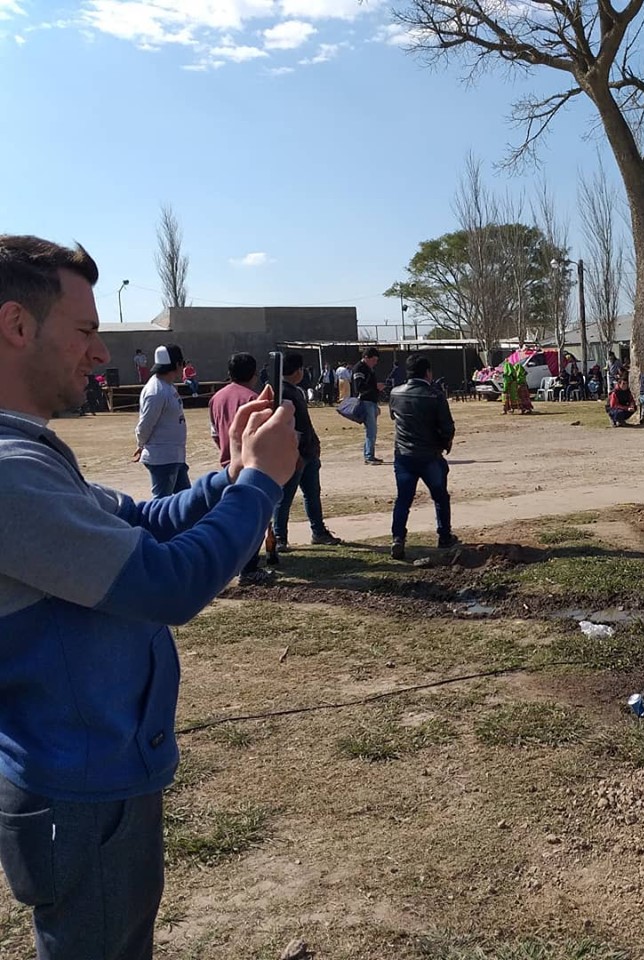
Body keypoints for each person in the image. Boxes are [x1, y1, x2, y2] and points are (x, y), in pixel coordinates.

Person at [0, 233, 297, 960]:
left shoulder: (32, 455)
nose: (100, 354)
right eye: (87, 331)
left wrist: (230, 476)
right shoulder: (10, 473)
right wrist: (261, 485)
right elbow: (169, 583)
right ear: (15, 327)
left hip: (92, 777)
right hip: (80, 788)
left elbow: (141, 521)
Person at [209, 352, 275, 586]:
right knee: (255, 517)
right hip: (251, 464)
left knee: (232, 516)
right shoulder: (254, 399)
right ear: (254, 374)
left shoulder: (216, 398)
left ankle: (232, 562)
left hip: (228, 464)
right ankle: (248, 568)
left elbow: (215, 433)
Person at [388, 353, 457, 560]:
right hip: (429, 455)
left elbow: (394, 416)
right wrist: (445, 443)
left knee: (403, 499)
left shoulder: (395, 393)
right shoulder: (435, 395)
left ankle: (398, 538)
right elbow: (447, 427)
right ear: (428, 373)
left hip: (403, 455)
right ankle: (444, 536)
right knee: (440, 496)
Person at [274, 352, 341, 549]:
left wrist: (314, 443)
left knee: (312, 493)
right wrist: (295, 453)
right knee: (286, 496)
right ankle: (280, 537)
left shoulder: (296, 391)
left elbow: (305, 423)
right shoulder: (282, 393)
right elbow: (287, 427)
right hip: (296, 455)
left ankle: (318, 531)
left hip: (308, 452)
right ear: (297, 371)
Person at [135, 343, 190, 497]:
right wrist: (141, 443)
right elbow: (145, 424)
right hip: (163, 457)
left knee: (186, 501)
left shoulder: (167, 386)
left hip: (174, 455)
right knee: (162, 503)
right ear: (178, 364)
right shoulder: (156, 391)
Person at [352, 346, 385, 464]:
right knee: (371, 430)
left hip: (372, 402)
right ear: (366, 357)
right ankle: (369, 456)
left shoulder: (369, 368)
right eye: (374, 360)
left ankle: (369, 454)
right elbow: (359, 387)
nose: (375, 363)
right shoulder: (359, 368)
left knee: (372, 430)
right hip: (365, 402)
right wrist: (375, 387)